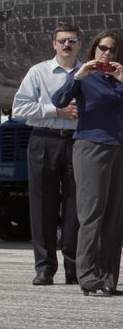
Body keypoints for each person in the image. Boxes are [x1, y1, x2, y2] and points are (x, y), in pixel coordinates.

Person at [52, 30, 123, 296]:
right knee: (92, 214)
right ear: (93, 50)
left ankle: (108, 279)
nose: (107, 53)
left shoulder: (118, 79)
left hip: (119, 149)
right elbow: (58, 101)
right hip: (91, 147)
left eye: (113, 50)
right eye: (103, 48)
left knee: (114, 217)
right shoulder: (84, 78)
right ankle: (87, 275)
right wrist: (78, 76)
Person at [12, 24, 82, 286]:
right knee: (43, 206)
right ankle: (44, 267)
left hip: (78, 142)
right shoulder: (38, 72)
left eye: (72, 41)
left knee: (76, 206)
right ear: (53, 44)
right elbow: (19, 107)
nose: (67, 45)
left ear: (79, 44)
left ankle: (73, 268)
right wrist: (56, 111)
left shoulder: (86, 72)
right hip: (44, 139)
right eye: (62, 40)